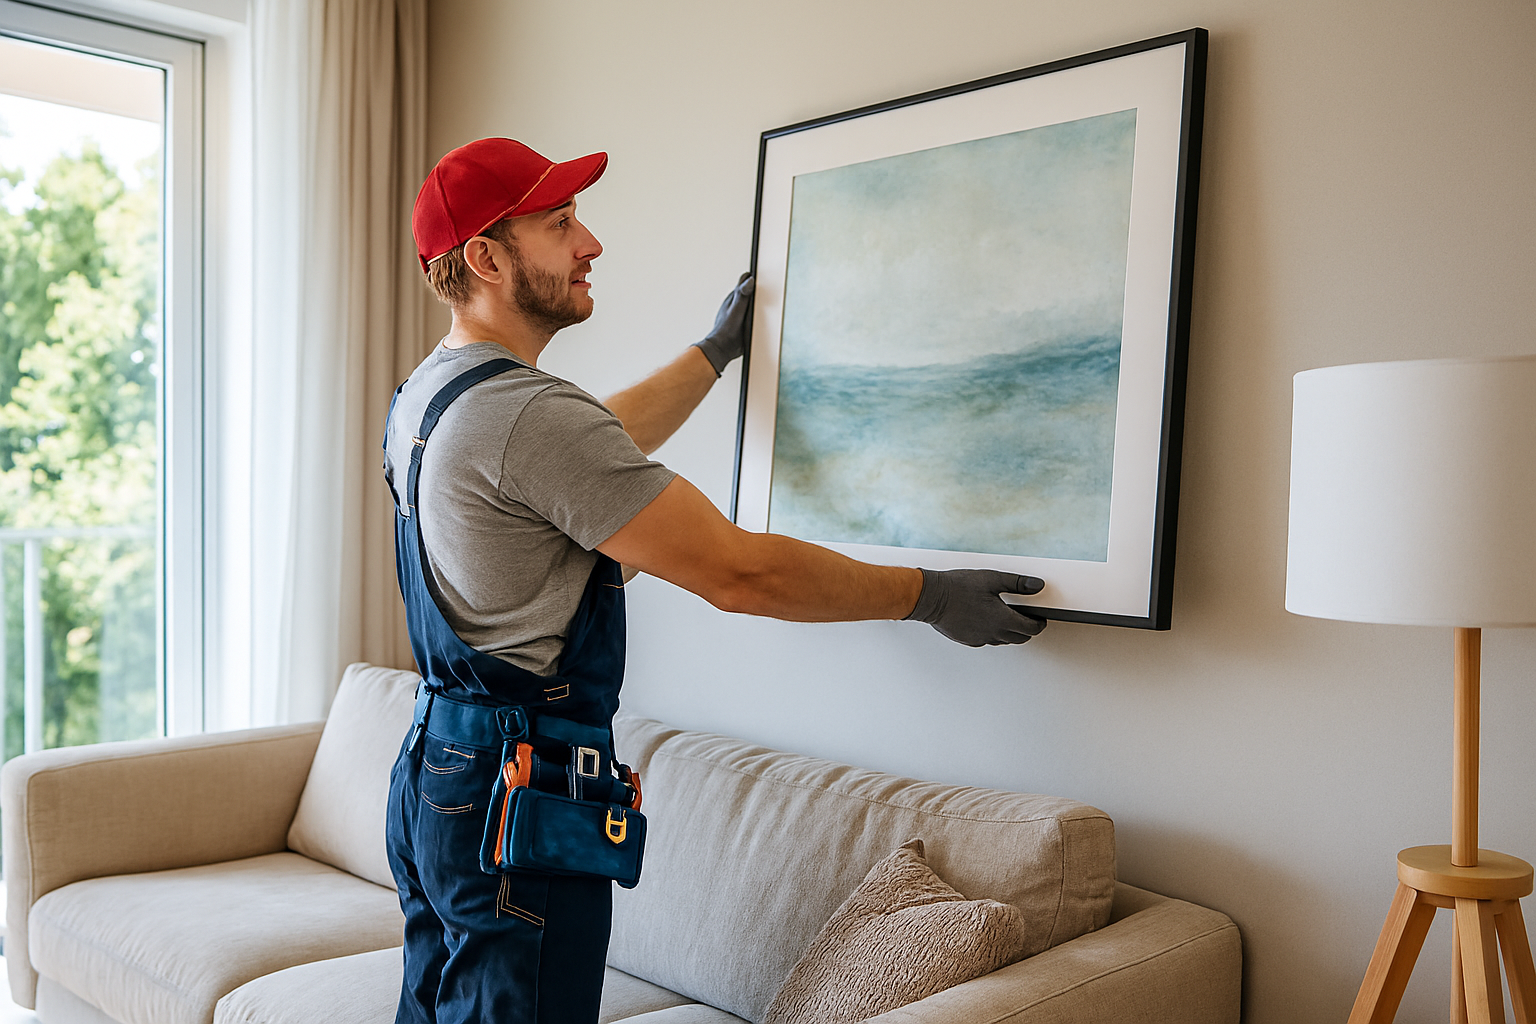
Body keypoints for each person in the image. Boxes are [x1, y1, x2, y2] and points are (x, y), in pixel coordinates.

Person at [382, 137, 1048, 1024]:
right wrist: (925, 593)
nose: (591, 243)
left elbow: (591, 453)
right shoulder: (528, 416)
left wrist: (712, 354)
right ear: (486, 258)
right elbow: (741, 573)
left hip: (441, 768)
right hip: (515, 796)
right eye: (561, 223)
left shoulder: (434, 396)